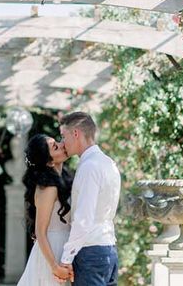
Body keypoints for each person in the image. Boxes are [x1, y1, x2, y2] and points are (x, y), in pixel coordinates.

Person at [57, 111, 121, 286]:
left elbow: (83, 218)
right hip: (109, 249)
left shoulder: (89, 167)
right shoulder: (108, 163)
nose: (62, 143)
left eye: (63, 136)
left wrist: (66, 258)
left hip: (90, 253)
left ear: (75, 133)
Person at [16, 133, 75, 285]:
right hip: (51, 250)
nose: (62, 145)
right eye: (55, 147)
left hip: (65, 247)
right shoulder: (47, 188)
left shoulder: (66, 180)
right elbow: (40, 232)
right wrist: (54, 267)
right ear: (49, 162)